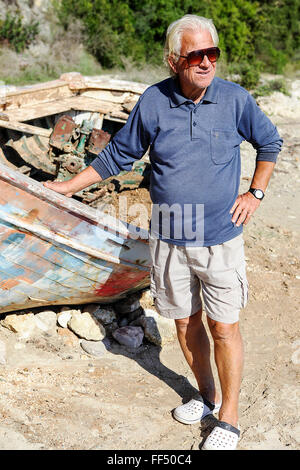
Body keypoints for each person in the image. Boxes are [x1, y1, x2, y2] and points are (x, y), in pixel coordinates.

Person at [44, 14, 282, 450]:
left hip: (220, 235)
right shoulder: (153, 101)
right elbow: (118, 155)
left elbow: (270, 143)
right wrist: (66, 186)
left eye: (213, 53)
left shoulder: (235, 100)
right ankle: (206, 396)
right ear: (174, 59)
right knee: (187, 324)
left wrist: (255, 194)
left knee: (223, 327)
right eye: (197, 55)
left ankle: (228, 418)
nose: (207, 62)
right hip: (171, 233)